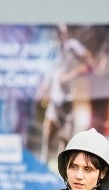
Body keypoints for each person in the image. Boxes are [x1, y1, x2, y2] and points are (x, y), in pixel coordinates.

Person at [38, 25, 97, 164]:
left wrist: (85, 67)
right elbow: (55, 76)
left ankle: (63, 166)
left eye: (62, 33)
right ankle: (44, 162)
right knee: (49, 131)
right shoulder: (54, 52)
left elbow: (86, 58)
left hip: (67, 101)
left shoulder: (72, 46)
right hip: (56, 99)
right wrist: (43, 92)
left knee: (66, 137)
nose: (60, 36)